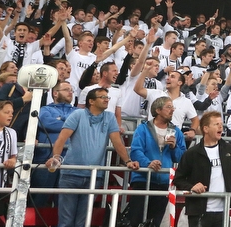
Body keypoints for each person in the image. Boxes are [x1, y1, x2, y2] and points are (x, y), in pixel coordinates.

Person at [46, 88, 139, 227]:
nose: (107, 99)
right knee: (66, 221)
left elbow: (117, 142)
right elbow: (61, 139)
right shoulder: (77, 114)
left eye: (107, 97)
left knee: (83, 222)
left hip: (95, 176)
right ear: (91, 101)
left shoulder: (109, 117)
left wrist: (128, 161)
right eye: (102, 97)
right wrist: (56, 158)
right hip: (71, 174)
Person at [173, 111, 231, 227]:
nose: (221, 126)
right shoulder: (192, 153)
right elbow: (178, 179)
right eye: (216, 124)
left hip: (223, 211)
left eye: (221, 123)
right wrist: (192, 187)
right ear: (206, 129)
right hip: (198, 212)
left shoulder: (228, 149)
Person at [128, 97, 188, 227]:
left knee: (157, 222)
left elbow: (182, 158)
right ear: (158, 110)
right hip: (143, 180)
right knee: (136, 220)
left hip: (164, 183)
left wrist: (174, 148)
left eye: (172, 107)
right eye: (168, 107)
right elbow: (136, 151)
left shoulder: (177, 132)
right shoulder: (142, 129)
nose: (172, 110)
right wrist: (148, 163)